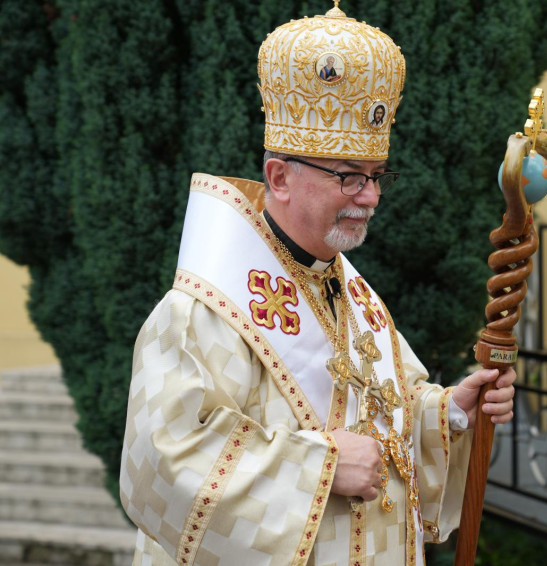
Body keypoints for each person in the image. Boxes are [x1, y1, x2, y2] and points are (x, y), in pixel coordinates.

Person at [119, 4, 516, 565]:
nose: (370, 197)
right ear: (279, 177)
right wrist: (321, 469)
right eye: (348, 176)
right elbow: (163, 463)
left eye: (376, 176)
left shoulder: (352, 296)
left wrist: (450, 412)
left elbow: (383, 421)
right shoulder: (201, 312)